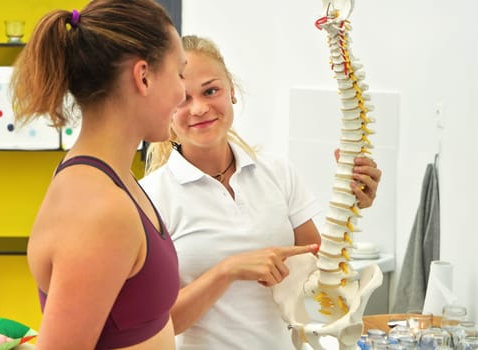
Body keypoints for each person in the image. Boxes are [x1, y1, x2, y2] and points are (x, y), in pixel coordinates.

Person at [140, 35, 382, 349]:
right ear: (165, 107)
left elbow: (319, 275)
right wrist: (227, 271)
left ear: (232, 93)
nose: (199, 108)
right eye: (183, 98)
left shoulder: (277, 172)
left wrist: (349, 203)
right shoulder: (149, 198)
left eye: (211, 91)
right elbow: (155, 324)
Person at [11, 1, 187, 349]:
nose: (183, 93)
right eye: (179, 73)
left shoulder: (113, 181)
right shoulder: (99, 209)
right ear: (144, 76)